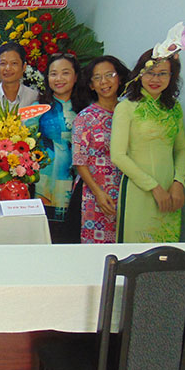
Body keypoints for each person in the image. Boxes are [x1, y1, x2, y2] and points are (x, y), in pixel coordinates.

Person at [111, 49, 185, 243]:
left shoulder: (173, 108)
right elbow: (118, 156)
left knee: (165, 253)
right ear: (139, 74)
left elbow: (180, 149)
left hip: (171, 192)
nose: (155, 79)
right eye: (150, 72)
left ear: (172, 76)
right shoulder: (126, 107)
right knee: (136, 253)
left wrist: (179, 183)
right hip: (140, 191)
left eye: (162, 74)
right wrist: (154, 188)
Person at [72, 56, 129, 244]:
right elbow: (79, 161)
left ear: (119, 78)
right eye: (97, 78)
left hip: (128, 190)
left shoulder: (130, 112)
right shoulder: (85, 117)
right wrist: (98, 193)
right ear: (91, 85)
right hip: (94, 193)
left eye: (109, 75)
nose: (104, 82)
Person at [36, 53, 84, 243]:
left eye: (65, 73)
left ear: (76, 76)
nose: (59, 79)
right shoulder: (38, 107)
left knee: (73, 233)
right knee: (48, 234)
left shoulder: (85, 107)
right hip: (46, 182)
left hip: (81, 180)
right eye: (53, 74)